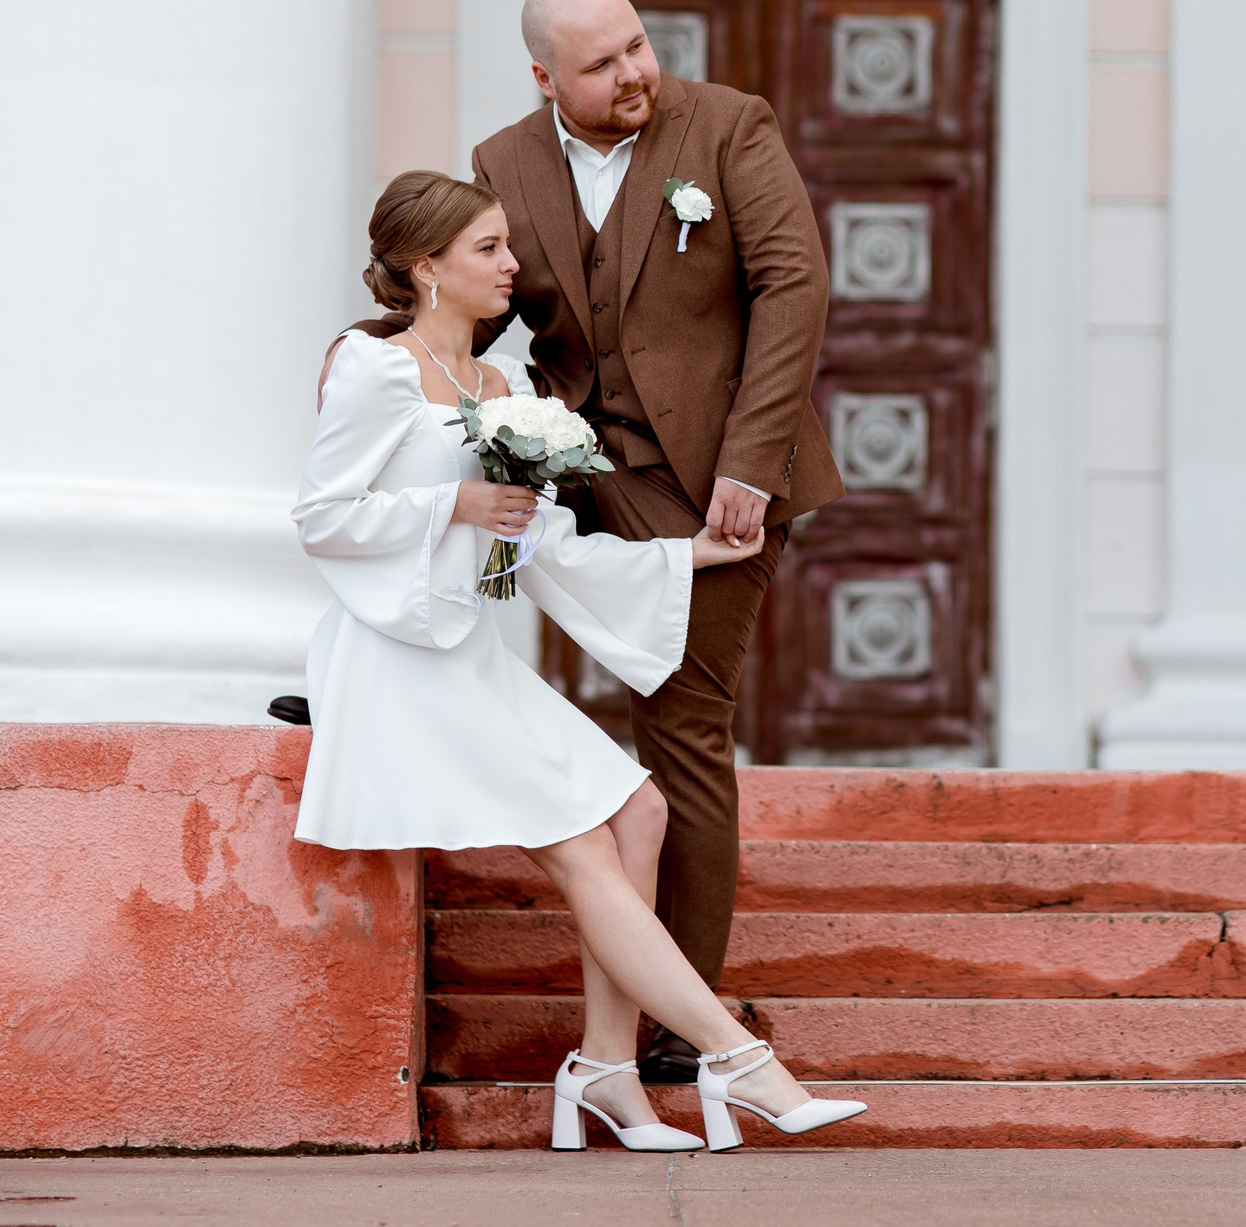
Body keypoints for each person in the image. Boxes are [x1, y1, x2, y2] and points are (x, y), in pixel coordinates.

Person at [293, 170, 864, 1153]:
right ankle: (735, 1056)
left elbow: (537, 551)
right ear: (427, 268)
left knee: (639, 808)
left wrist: (684, 554)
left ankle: (604, 1069)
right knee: (576, 839)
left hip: (468, 650)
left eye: (507, 245)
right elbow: (321, 519)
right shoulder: (370, 367)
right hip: (394, 658)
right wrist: (453, 507)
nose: (513, 265)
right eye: (488, 249)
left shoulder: (507, 389)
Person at [464, 0, 844, 1084]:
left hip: (717, 489)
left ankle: (680, 1024)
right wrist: (418, 371)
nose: (634, 74)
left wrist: (750, 466)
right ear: (545, 78)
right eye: (601, 63)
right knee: (597, 713)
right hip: (584, 481)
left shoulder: (727, 127)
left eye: (636, 46)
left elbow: (794, 285)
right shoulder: (503, 163)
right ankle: (644, 1008)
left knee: (681, 724)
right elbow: (480, 297)